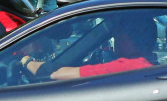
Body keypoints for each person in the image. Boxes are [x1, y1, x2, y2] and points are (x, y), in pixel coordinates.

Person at [22, 24, 153, 80]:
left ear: (128, 39)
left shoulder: (128, 67)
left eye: (119, 35)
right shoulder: (148, 65)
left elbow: (55, 74)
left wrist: (25, 60)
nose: (116, 39)